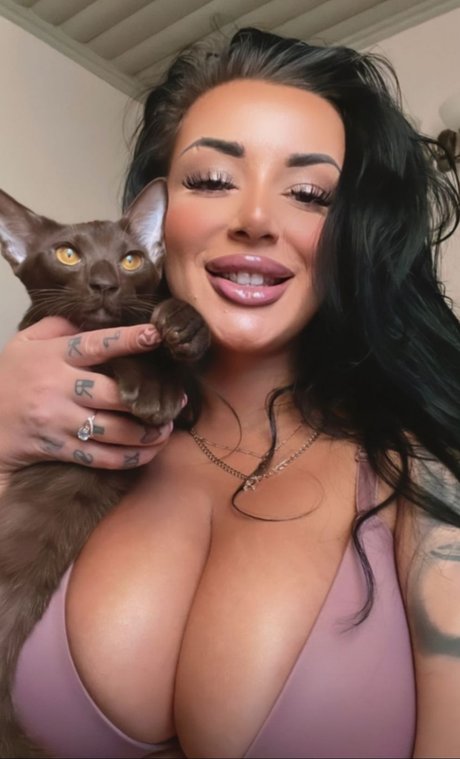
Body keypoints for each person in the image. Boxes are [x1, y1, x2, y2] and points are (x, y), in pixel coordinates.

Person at [1, 26, 459, 759]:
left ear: (353, 235)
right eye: (213, 181)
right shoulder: (62, 435)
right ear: (158, 225)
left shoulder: (425, 469)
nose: (255, 219)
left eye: (308, 193)